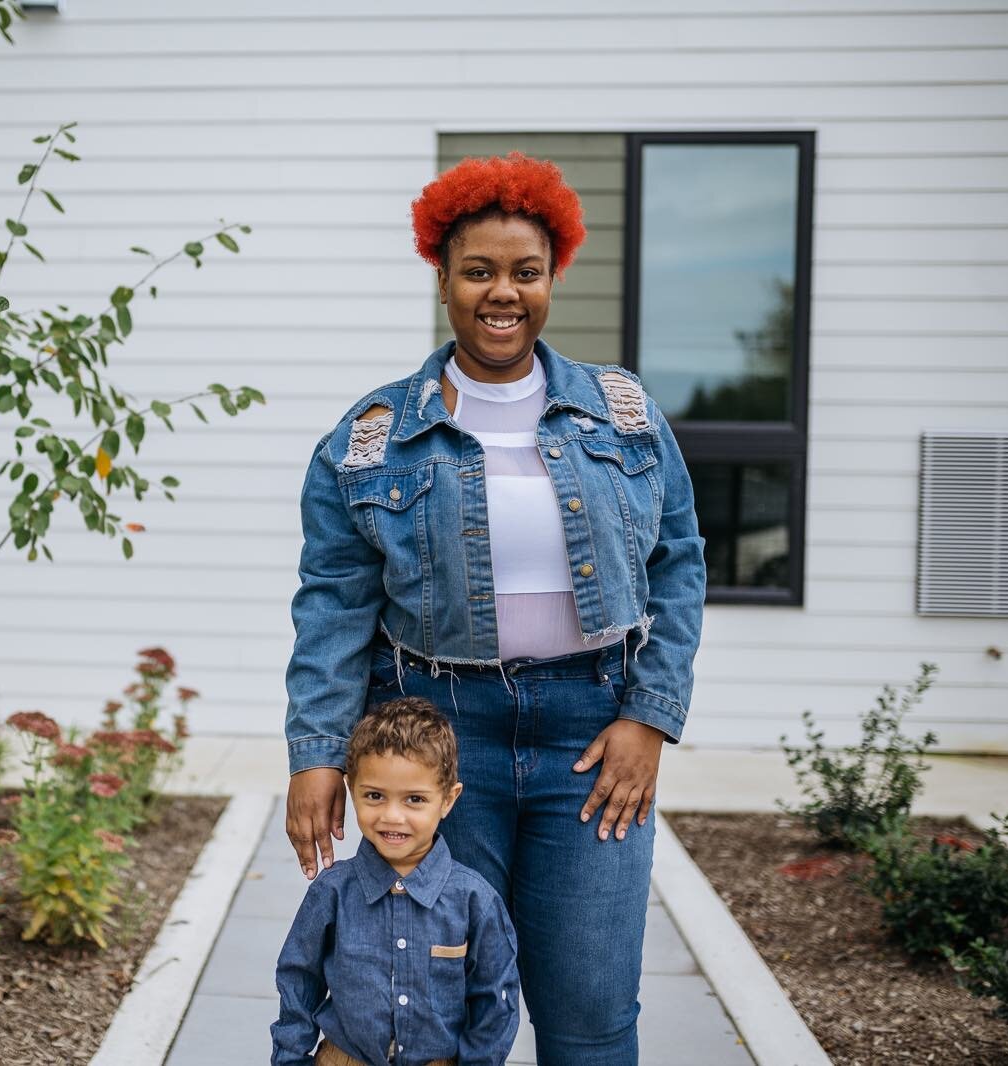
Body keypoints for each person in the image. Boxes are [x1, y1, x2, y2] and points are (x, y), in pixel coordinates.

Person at [282, 152, 706, 1065]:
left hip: (593, 741)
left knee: (589, 1012)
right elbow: (331, 610)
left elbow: (678, 567)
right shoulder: (368, 440)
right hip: (437, 742)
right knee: (429, 1014)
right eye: (478, 271)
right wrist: (317, 756)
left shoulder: (624, 415)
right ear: (442, 277)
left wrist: (649, 717)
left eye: (525, 271)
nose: (501, 293)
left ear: (553, 277)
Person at [271, 697, 520, 1066]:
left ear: (448, 800)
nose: (392, 816)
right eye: (374, 795)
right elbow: (298, 978)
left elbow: (495, 999)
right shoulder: (332, 892)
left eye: (415, 799)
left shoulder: (474, 900)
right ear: (351, 788)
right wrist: (290, 1058)